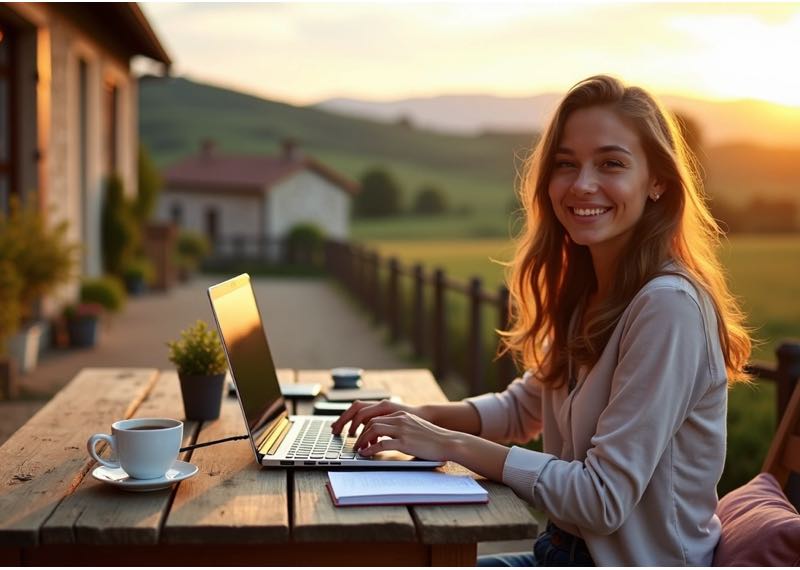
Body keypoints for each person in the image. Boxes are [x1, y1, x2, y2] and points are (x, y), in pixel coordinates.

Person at [330, 75, 752, 566]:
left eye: (611, 163)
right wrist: (414, 416)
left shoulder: (668, 307)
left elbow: (600, 500)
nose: (582, 184)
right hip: (557, 552)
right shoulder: (589, 292)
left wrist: (448, 444)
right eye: (566, 164)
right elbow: (520, 410)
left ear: (657, 180)